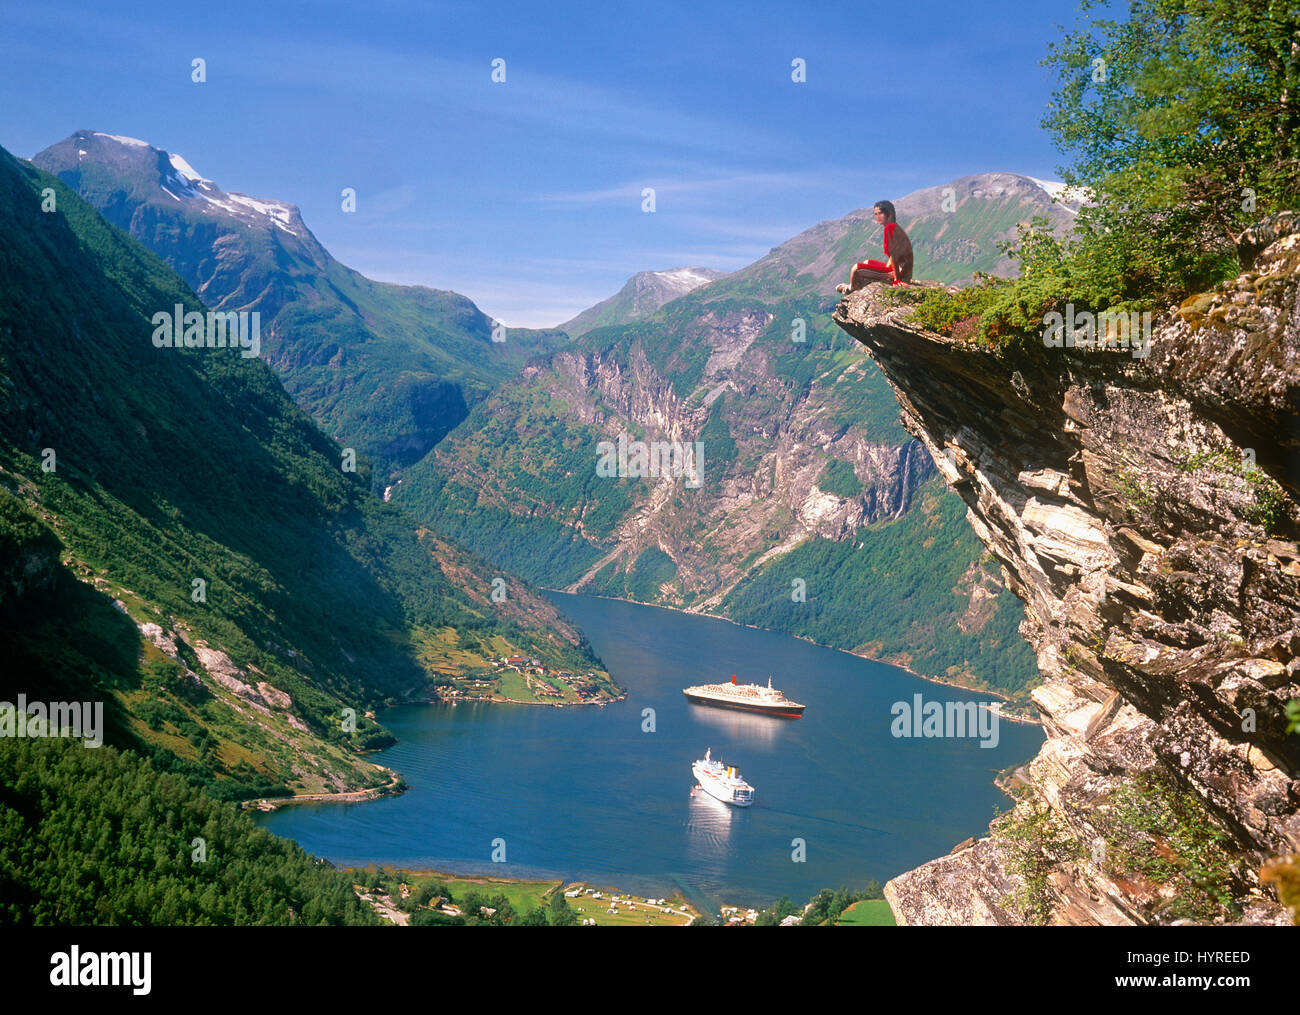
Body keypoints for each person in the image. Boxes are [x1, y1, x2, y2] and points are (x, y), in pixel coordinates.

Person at [836, 200, 913, 292]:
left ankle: (850, 288)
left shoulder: (890, 228)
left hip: (901, 272)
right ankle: (864, 282)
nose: (877, 217)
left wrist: (897, 280)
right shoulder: (893, 227)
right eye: (875, 214)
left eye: (880, 213)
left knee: (856, 269)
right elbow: (896, 255)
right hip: (902, 269)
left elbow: (894, 254)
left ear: (889, 214)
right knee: (867, 262)